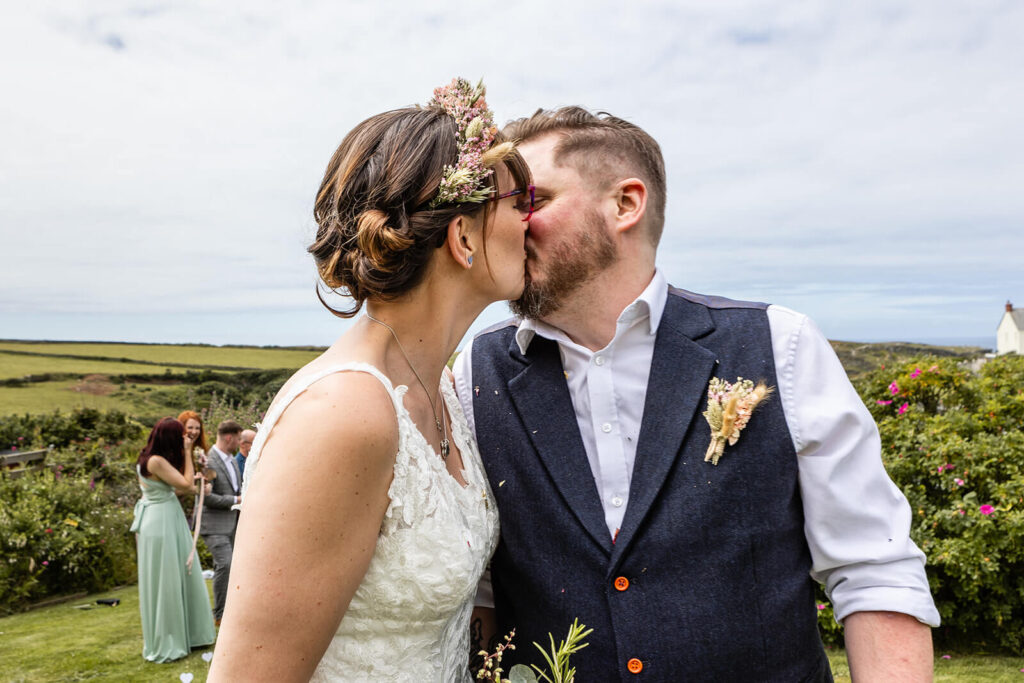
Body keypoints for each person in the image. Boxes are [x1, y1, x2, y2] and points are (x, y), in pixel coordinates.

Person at [452, 107, 941, 681]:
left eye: (531, 201)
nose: (508, 226)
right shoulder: (475, 371)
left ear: (625, 204)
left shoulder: (779, 345)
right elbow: (479, 593)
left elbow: (874, 569)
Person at [209, 77, 531, 681]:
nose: (534, 223)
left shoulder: (442, 390)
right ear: (463, 236)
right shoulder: (342, 414)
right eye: (522, 203)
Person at [131, 417, 215, 662]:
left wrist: (198, 483)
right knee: (166, 578)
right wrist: (188, 453)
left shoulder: (150, 458)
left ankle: (192, 634)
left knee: (180, 574)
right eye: (180, 435)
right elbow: (185, 485)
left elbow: (173, 488)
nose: (184, 438)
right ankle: (169, 639)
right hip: (162, 522)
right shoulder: (155, 461)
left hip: (164, 516)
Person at [201, 419, 244, 626]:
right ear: (229, 437)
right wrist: (236, 500)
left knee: (234, 567)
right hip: (214, 525)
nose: (239, 442)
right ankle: (219, 614)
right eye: (238, 438)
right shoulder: (208, 461)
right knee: (225, 565)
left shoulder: (232, 461)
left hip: (233, 523)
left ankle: (233, 610)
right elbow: (206, 497)